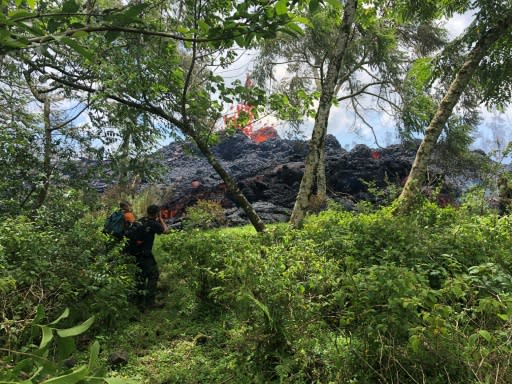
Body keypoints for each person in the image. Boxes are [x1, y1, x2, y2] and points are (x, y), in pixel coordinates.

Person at [126, 204, 169, 310]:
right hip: (145, 254)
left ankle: (138, 302)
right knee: (153, 274)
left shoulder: (141, 220)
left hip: (134, 253)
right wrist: (161, 219)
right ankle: (150, 303)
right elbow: (166, 230)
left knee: (140, 277)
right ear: (157, 213)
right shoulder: (153, 224)